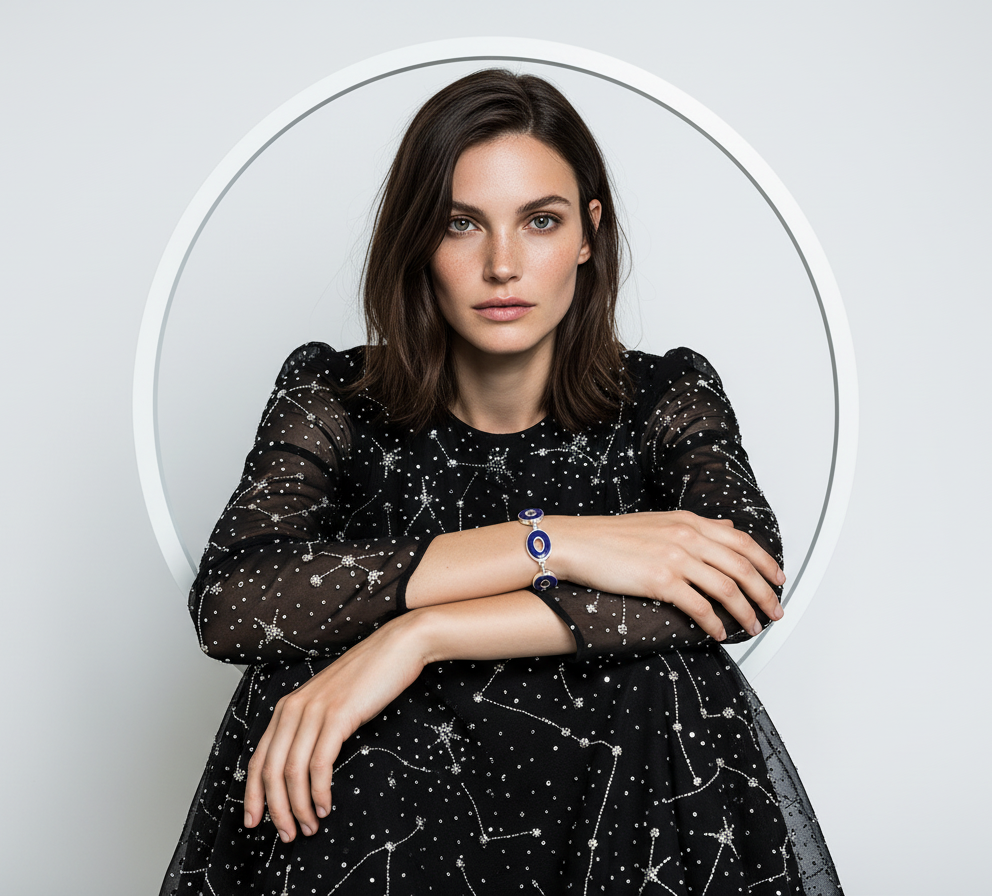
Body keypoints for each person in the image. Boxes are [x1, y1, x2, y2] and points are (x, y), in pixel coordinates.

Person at [161, 69, 842, 895]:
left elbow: (743, 583)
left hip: (621, 823)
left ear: (589, 234)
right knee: (313, 690)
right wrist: (552, 544)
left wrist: (418, 639)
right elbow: (233, 603)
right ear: (418, 238)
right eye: (460, 224)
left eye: (541, 221)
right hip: (384, 826)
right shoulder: (333, 397)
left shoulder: (667, 396)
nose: (502, 264)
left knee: (655, 680)